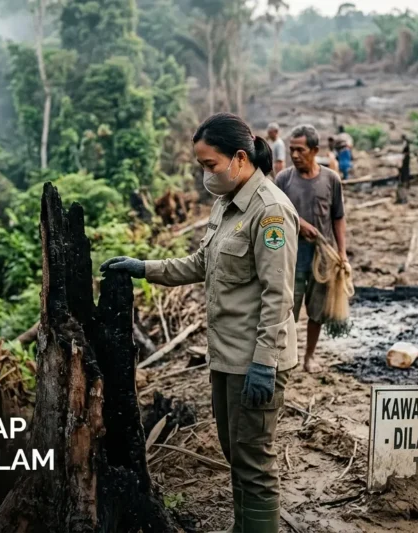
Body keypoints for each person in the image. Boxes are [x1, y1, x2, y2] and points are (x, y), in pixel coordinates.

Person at [101, 113, 299, 533]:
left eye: (210, 165)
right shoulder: (227, 203)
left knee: (254, 463)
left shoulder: (271, 213)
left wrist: (264, 362)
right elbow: (200, 263)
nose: (205, 175)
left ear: (239, 158)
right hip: (227, 356)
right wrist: (144, 267)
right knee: (235, 453)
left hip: (256, 361)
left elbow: (278, 295)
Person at [275, 125, 347, 374]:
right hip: (291, 255)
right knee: (287, 308)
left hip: (322, 255)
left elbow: (338, 217)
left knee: (316, 309)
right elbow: (274, 215)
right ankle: (287, 357)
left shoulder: (331, 179)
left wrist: (342, 253)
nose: (294, 155)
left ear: (315, 150)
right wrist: (299, 223)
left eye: (300, 150)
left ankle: (309, 357)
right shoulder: (284, 179)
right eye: (291, 150)